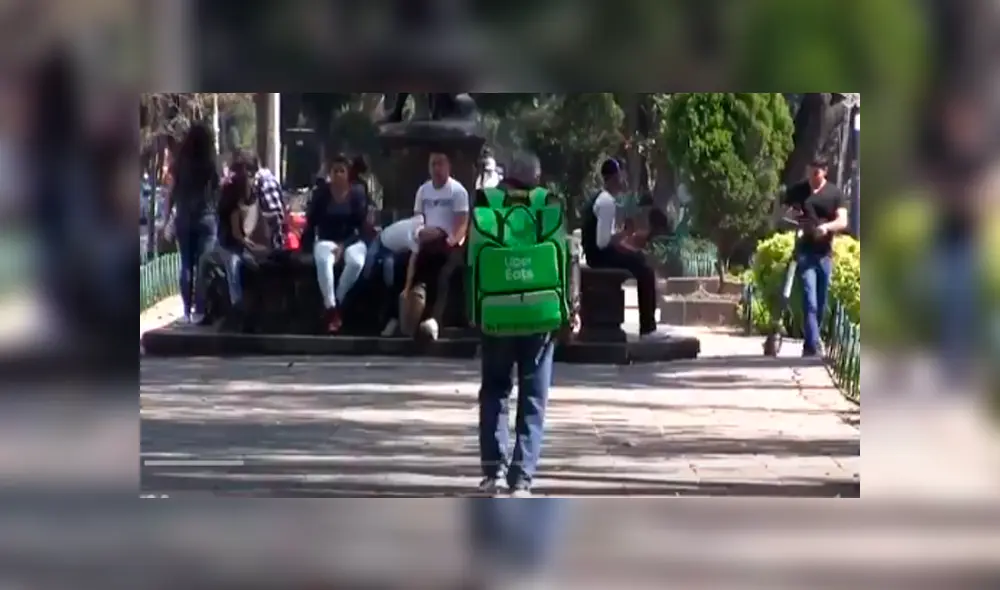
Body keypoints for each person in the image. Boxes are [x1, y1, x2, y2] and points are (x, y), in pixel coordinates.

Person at [475, 152, 556, 498]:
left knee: (495, 389)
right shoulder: (548, 206)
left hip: (496, 314)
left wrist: (474, 311)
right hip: (539, 314)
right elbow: (564, 259)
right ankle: (521, 479)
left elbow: (473, 262)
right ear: (536, 179)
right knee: (533, 396)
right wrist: (573, 310)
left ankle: (494, 472)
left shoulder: (488, 205)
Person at [582, 158, 668, 340]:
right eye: (622, 175)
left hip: (597, 254)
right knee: (645, 270)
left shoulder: (603, 199)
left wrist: (626, 240)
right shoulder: (606, 202)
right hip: (599, 256)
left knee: (641, 261)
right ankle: (648, 329)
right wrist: (626, 233)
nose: (625, 179)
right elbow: (603, 242)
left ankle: (648, 326)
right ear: (615, 177)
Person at [774, 157, 849, 357]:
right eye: (810, 172)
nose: (812, 177)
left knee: (821, 302)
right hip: (804, 251)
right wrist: (793, 220)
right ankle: (813, 346)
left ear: (825, 172)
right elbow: (780, 212)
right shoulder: (799, 190)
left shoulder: (834, 194)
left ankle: (812, 341)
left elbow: (842, 220)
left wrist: (826, 227)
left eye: (816, 173)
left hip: (824, 253)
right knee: (810, 299)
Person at [405, 151, 470, 340]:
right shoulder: (423, 191)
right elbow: (418, 218)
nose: (437, 169)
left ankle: (433, 321)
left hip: (450, 243)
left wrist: (450, 240)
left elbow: (462, 224)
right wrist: (420, 232)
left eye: (440, 164)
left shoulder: (458, 191)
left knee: (443, 274)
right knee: (414, 270)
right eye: (433, 164)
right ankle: (409, 319)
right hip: (427, 241)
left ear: (448, 167)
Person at [301, 154, 369, 333]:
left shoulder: (357, 194)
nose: (338, 175)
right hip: (326, 240)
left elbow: (362, 226)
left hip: (352, 240)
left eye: (342, 171)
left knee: (356, 262)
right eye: (335, 171)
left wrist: (344, 246)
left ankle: (337, 301)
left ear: (348, 174)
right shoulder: (322, 193)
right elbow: (312, 221)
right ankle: (331, 308)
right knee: (324, 261)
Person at [163, 122, 220, 324]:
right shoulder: (211, 163)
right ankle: (200, 310)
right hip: (206, 217)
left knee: (186, 264)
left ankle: (186, 311)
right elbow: (218, 190)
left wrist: (165, 218)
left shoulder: (179, 164)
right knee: (203, 265)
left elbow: (170, 193)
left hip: (184, 218)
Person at [216, 151, 273, 328]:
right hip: (230, 245)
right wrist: (252, 247)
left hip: (245, 245)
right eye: (248, 174)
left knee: (261, 267)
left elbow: (258, 222)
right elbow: (236, 235)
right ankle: (237, 307)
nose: (251, 179)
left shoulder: (255, 194)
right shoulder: (231, 196)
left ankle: (258, 309)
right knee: (233, 266)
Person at [362, 214, 425, 336]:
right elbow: (412, 264)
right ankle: (386, 319)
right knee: (384, 275)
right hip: (383, 246)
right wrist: (407, 289)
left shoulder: (419, 221)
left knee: (393, 273)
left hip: (393, 246)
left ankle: (392, 318)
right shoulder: (412, 240)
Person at [251, 155, 286, 250]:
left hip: (268, 210)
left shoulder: (257, 178)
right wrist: (283, 207)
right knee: (276, 232)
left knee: (271, 233)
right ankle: (278, 248)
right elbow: (280, 191)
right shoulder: (271, 176)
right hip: (277, 208)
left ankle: (273, 250)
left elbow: (254, 194)